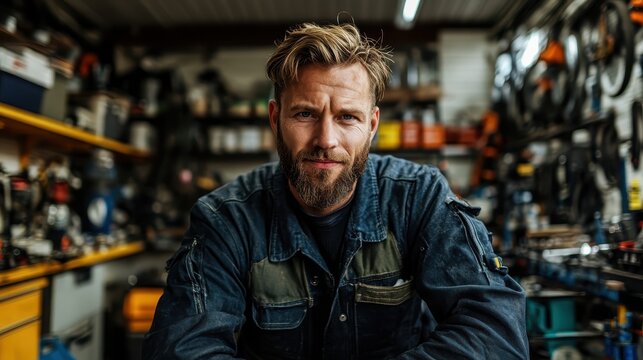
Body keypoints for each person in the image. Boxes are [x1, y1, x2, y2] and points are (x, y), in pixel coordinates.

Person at [143, 22, 528, 359]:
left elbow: (496, 331)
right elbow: (181, 350)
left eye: (347, 117)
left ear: (372, 125)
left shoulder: (419, 198)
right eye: (305, 114)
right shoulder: (226, 220)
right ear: (276, 119)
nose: (326, 140)